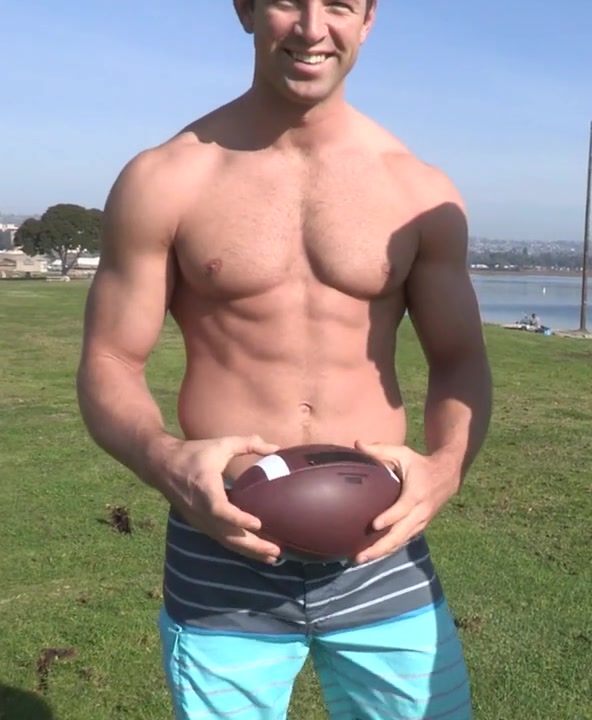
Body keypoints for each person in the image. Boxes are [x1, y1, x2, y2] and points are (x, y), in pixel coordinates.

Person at [75, 1, 491, 718]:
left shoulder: (417, 192)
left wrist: (446, 468)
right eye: (286, 1)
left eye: (339, 5)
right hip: (222, 550)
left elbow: (459, 361)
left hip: (381, 548)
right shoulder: (164, 180)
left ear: (368, 19)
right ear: (245, 9)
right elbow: (110, 360)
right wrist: (164, 459)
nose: (311, 27)